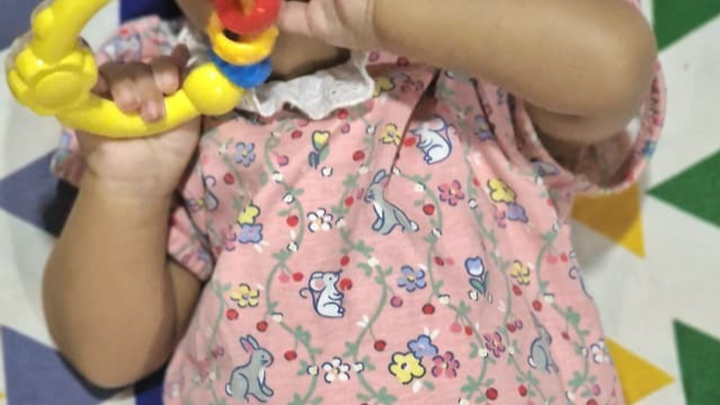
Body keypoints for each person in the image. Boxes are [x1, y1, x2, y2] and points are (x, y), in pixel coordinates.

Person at [45, 0, 665, 403]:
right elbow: (109, 354)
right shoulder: (167, 85)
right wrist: (126, 187)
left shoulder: (476, 53)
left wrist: (383, 13)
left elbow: (614, 69)